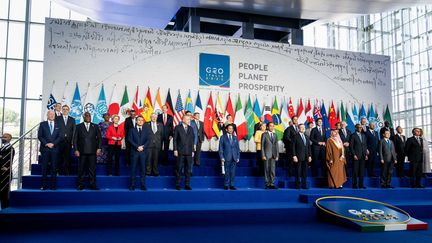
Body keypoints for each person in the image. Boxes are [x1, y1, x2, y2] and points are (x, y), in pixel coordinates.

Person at [74, 112, 102, 190]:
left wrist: (99, 148)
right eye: (86, 116)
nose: (88, 117)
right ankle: (80, 184)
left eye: (89, 116)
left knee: (92, 169)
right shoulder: (78, 126)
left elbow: (99, 138)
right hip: (81, 151)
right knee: (81, 169)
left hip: (93, 151)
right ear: (83, 117)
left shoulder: (95, 126)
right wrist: (76, 149)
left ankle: (93, 184)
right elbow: (75, 139)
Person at [38, 110, 63, 190]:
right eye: (50, 114)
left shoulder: (58, 125)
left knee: (54, 167)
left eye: (53, 114)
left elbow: (60, 137)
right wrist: (47, 144)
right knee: (44, 167)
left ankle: (53, 186)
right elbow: (40, 136)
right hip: (45, 149)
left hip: (55, 149)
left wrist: (53, 144)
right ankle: (43, 185)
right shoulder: (42, 124)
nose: (52, 115)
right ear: (47, 115)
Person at [173, 115, 195, 190]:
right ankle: (177, 184)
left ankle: (187, 184)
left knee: (188, 170)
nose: (189, 121)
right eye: (188, 119)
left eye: (189, 119)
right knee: (179, 169)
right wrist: (175, 149)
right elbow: (175, 139)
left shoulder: (191, 128)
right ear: (183, 119)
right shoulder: (177, 127)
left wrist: (192, 151)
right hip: (180, 152)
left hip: (189, 152)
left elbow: (192, 141)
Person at [127, 116, 148, 190]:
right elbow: (130, 139)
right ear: (136, 121)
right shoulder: (132, 130)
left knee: (143, 169)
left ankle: (143, 185)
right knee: (133, 169)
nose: (140, 121)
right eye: (139, 120)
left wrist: (143, 147)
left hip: (143, 152)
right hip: (134, 152)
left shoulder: (146, 130)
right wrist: (137, 147)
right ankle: (132, 185)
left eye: (142, 120)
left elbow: (149, 140)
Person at [55, 105, 75, 175]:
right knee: (59, 157)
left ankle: (67, 172)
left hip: (68, 142)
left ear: (68, 110)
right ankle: (59, 171)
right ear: (62, 110)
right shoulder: (57, 118)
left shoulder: (72, 119)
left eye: (66, 109)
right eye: (64, 109)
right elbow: (55, 130)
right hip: (59, 141)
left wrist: (73, 141)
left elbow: (74, 131)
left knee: (67, 157)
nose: (65, 110)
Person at [219, 124, 240, 190]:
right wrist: (221, 157)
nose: (231, 130)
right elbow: (220, 148)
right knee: (227, 172)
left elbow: (238, 148)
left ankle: (232, 185)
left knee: (233, 172)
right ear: (226, 129)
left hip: (234, 157)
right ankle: (226, 184)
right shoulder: (223, 137)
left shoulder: (235, 137)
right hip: (226, 157)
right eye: (229, 128)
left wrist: (238, 157)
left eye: (232, 128)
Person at [292, 124, 312, 189]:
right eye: (301, 127)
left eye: (304, 127)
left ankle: (304, 185)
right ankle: (297, 185)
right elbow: (293, 147)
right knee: (298, 171)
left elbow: (309, 147)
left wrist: (310, 156)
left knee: (305, 172)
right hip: (298, 157)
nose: (303, 128)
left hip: (306, 157)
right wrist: (294, 155)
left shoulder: (306, 136)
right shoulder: (295, 136)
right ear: (298, 128)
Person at [350, 124, 368, 189]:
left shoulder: (363, 135)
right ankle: (354, 184)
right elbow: (351, 147)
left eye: (361, 127)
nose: (360, 128)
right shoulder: (353, 135)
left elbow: (365, 145)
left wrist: (366, 154)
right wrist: (354, 154)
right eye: (359, 127)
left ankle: (361, 184)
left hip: (363, 155)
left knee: (362, 171)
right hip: (356, 156)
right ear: (356, 128)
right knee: (355, 171)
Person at [261, 122, 279, 189]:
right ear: (268, 127)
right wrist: (263, 155)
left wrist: (277, 155)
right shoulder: (264, 134)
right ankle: (267, 184)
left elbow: (276, 145)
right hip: (266, 154)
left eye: (273, 126)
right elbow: (262, 145)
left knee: (272, 170)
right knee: (266, 169)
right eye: (270, 126)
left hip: (274, 155)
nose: (272, 127)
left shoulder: (275, 135)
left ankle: (272, 183)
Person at [1, 133, 15, 209]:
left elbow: (7, 161)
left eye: (5, 137)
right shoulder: (2, 148)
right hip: (1, 172)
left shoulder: (11, 149)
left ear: (10, 139)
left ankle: (5, 209)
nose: (2, 138)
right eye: (2, 137)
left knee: (5, 192)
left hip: (6, 173)